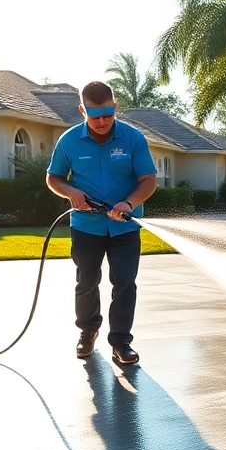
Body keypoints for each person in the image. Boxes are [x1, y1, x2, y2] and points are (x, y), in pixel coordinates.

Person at [46, 81, 157, 364]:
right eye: (95, 116)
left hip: (125, 228)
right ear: (82, 110)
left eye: (108, 114)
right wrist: (71, 192)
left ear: (114, 107)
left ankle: (121, 342)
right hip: (86, 227)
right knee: (86, 282)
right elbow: (54, 178)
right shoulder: (69, 141)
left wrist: (129, 203)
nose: (102, 121)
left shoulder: (133, 138)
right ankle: (87, 333)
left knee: (124, 284)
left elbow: (148, 180)